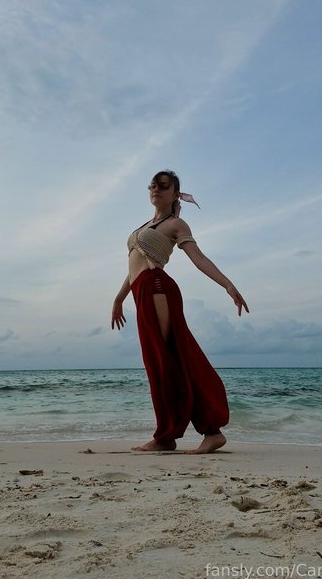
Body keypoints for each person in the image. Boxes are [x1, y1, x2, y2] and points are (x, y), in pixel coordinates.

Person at [111, 170, 249, 454]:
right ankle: (169, 435)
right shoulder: (145, 226)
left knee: (169, 359)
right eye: (153, 185)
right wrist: (119, 298)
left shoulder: (176, 224)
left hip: (157, 288)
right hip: (141, 291)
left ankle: (203, 432)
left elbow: (199, 259)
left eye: (163, 186)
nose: (156, 189)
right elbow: (134, 267)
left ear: (175, 194)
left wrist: (228, 285)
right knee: (158, 363)